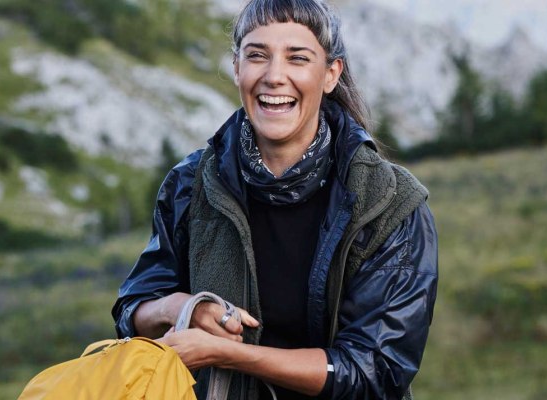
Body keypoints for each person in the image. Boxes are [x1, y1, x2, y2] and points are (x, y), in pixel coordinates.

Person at [110, 0, 438, 398]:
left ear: (330, 74)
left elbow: (377, 371)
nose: (274, 76)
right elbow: (133, 310)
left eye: (298, 58)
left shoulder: (390, 203)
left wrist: (232, 354)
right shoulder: (189, 184)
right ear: (237, 68)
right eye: (257, 56)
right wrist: (178, 308)